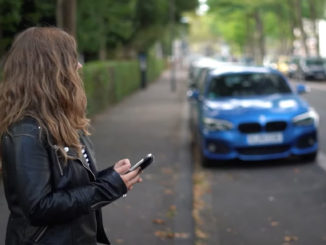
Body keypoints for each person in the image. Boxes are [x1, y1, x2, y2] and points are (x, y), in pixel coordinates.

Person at [0, 27, 142, 244]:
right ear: (50, 68)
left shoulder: (61, 122)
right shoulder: (26, 133)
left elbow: (70, 189)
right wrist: (106, 188)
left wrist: (111, 178)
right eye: (71, 59)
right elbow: (39, 208)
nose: (79, 66)